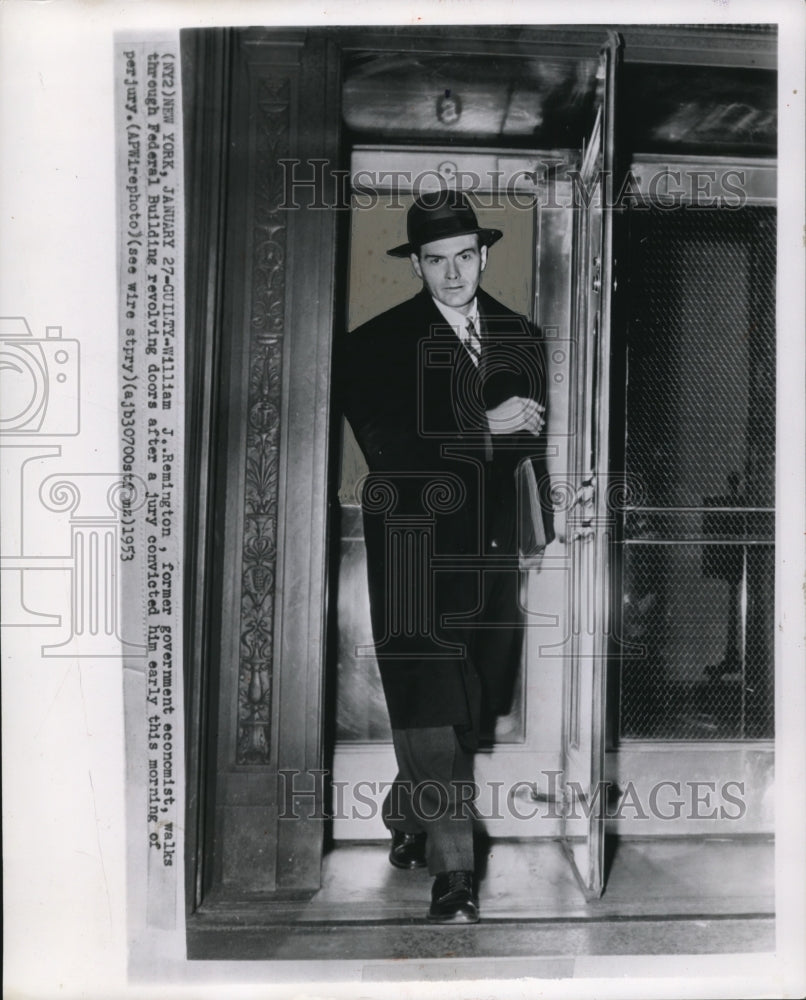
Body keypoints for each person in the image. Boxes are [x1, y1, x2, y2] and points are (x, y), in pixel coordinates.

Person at [337, 190, 551, 923]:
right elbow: (389, 450)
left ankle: (407, 807)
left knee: (469, 706)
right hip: (410, 545)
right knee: (431, 696)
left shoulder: (522, 335)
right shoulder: (373, 344)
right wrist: (479, 425)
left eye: (465, 256)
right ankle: (453, 872)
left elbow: (525, 447)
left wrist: (536, 530)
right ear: (417, 264)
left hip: (488, 550)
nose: (454, 273)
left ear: (483, 254)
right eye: (436, 260)